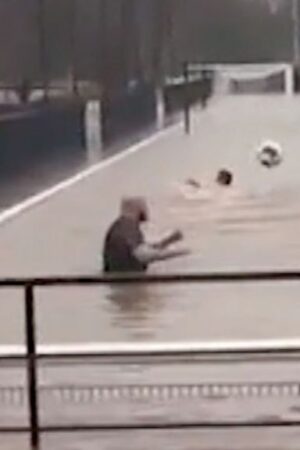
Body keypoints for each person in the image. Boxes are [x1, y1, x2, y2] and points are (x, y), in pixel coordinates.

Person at [103, 197, 189, 274]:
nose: (147, 211)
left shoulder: (121, 226)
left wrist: (167, 242)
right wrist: (179, 252)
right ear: (138, 208)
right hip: (128, 282)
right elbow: (142, 256)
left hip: (120, 280)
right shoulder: (128, 226)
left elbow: (136, 251)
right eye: (145, 207)